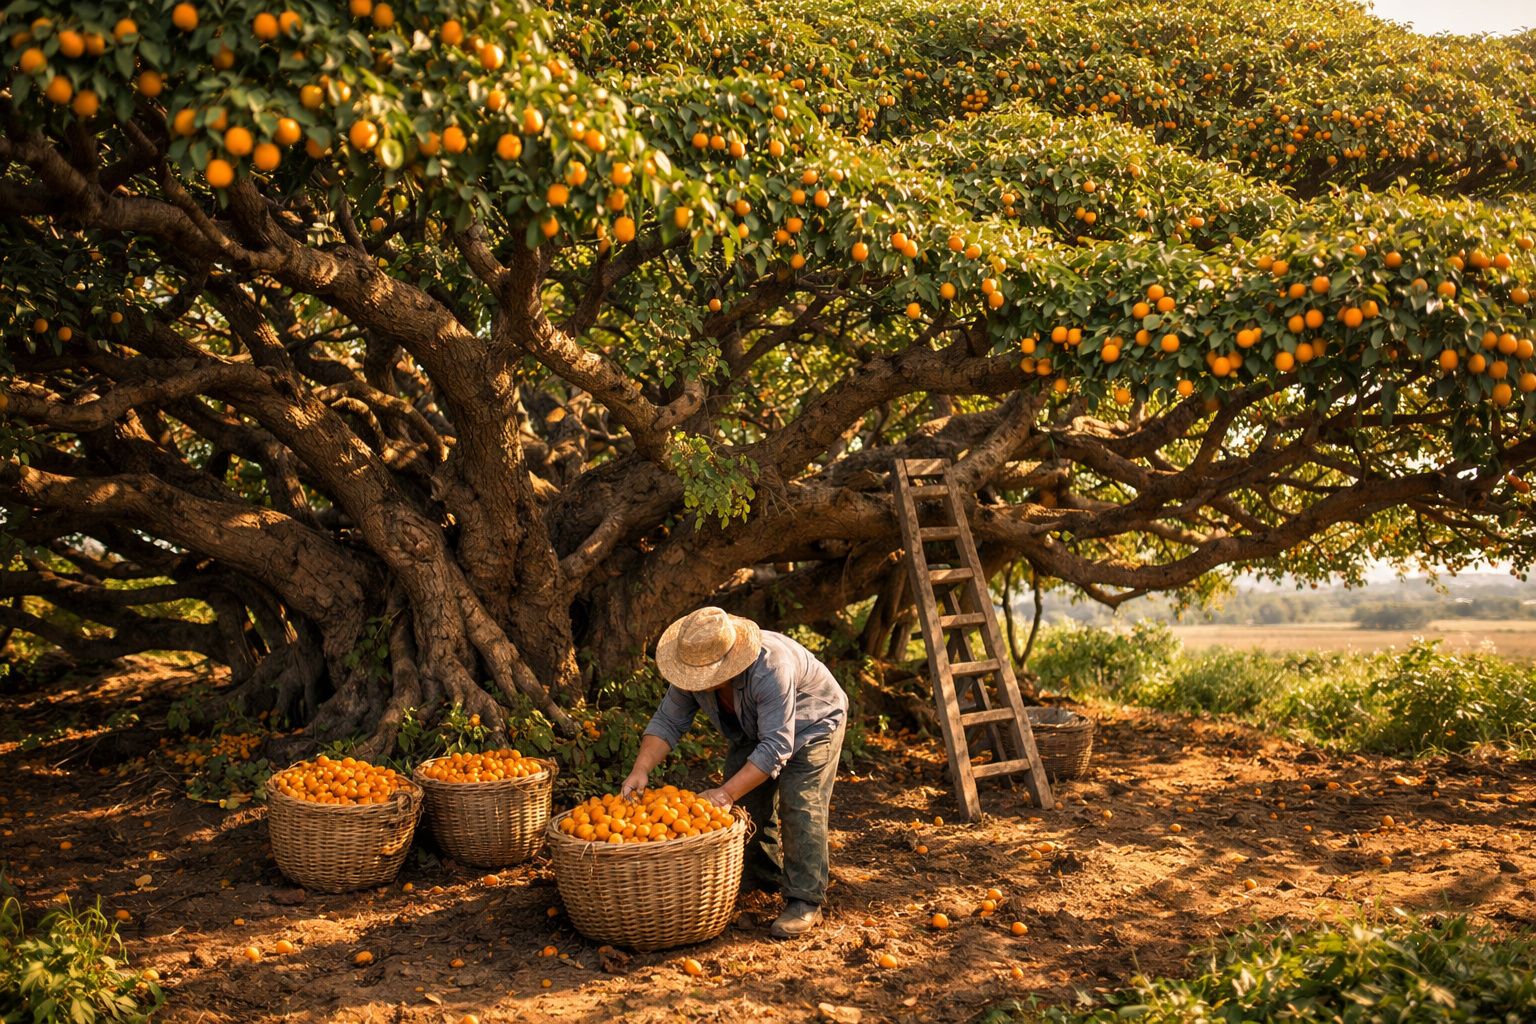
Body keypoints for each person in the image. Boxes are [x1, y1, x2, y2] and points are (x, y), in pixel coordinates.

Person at [622, 606, 848, 939]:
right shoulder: (693, 668)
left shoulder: (771, 668)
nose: (700, 683)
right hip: (754, 729)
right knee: (747, 808)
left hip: (813, 723)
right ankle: (760, 879)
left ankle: (804, 899)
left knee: (800, 804)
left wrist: (725, 792)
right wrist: (639, 770)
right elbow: (668, 721)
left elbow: (776, 747)